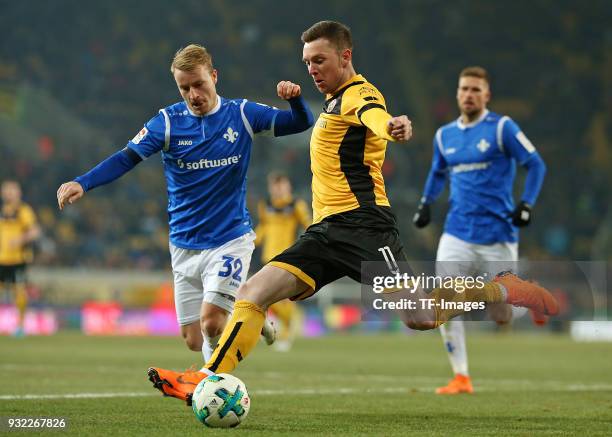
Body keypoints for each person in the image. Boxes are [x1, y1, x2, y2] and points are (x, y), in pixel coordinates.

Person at [148, 21, 558, 405]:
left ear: (345, 56)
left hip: (365, 229)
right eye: (307, 61)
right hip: (325, 232)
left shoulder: (359, 94)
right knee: (254, 294)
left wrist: (391, 125)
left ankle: (504, 288)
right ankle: (206, 378)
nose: (311, 68)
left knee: (419, 316)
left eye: (320, 60)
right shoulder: (330, 104)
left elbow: (374, 116)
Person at [57, 44, 314, 363]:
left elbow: (301, 122)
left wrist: (296, 100)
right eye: (184, 88)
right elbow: (126, 158)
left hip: (229, 239)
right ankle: (250, 308)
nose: (193, 94)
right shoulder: (166, 123)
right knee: (193, 339)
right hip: (184, 245)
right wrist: (83, 182)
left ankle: (210, 384)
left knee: (211, 323)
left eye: (199, 84)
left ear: (214, 76)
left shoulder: (243, 114)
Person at [412, 66, 547, 394]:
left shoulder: (502, 128)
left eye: (475, 89)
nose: (469, 94)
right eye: (464, 89)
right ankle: (461, 376)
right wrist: (426, 203)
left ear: (487, 95)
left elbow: (536, 164)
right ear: (457, 94)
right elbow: (437, 171)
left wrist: (526, 204)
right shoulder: (445, 135)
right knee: (443, 300)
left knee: (501, 315)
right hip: (457, 232)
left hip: (498, 236)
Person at [255, 172, 311, 351]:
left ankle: (286, 333)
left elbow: (308, 225)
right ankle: (286, 324)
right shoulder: (266, 205)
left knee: (279, 298)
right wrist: (251, 241)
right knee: (267, 297)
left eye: (281, 185)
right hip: (267, 257)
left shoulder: (296, 205)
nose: (278, 189)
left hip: (286, 257)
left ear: (288, 187)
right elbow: (263, 226)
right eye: (275, 185)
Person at [0, 180, 41, 337]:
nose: (9, 193)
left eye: (12, 190)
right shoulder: (3, 210)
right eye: (7, 190)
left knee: (20, 292)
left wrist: (19, 240)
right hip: (1, 258)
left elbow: (35, 231)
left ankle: (20, 326)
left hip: (18, 259)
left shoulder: (23, 210)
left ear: (19, 193)